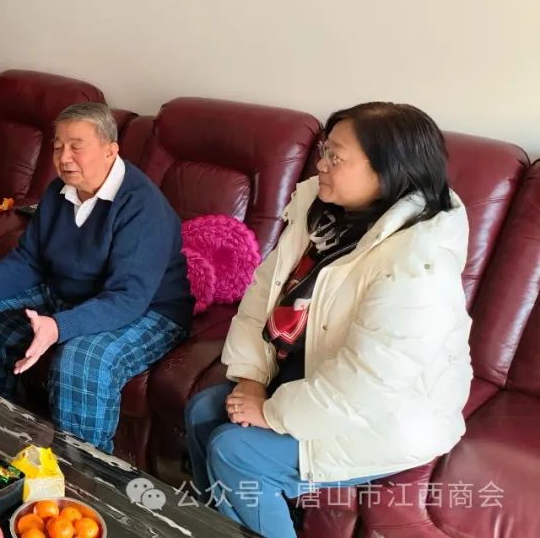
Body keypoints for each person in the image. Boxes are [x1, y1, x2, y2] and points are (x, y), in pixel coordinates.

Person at [183, 103, 473, 538]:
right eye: (324, 150)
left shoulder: (418, 262)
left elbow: (370, 383)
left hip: (387, 414)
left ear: (388, 172)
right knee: (203, 412)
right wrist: (251, 378)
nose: (321, 164)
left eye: (336, 156)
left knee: (236, 450)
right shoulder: (321, 213)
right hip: (309, 373)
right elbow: (265, 291)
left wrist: (272, 412)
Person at [0, 102, 193, 453]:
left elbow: (127, 297)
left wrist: (59, 326)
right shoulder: (58, 192)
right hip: (76, 293)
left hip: (149, 309)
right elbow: (29, 260)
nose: (64, 157)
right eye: (58, 147)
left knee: (81, 361)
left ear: (110, 150)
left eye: (76, 146)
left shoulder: (141, 207)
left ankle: (82, 473)